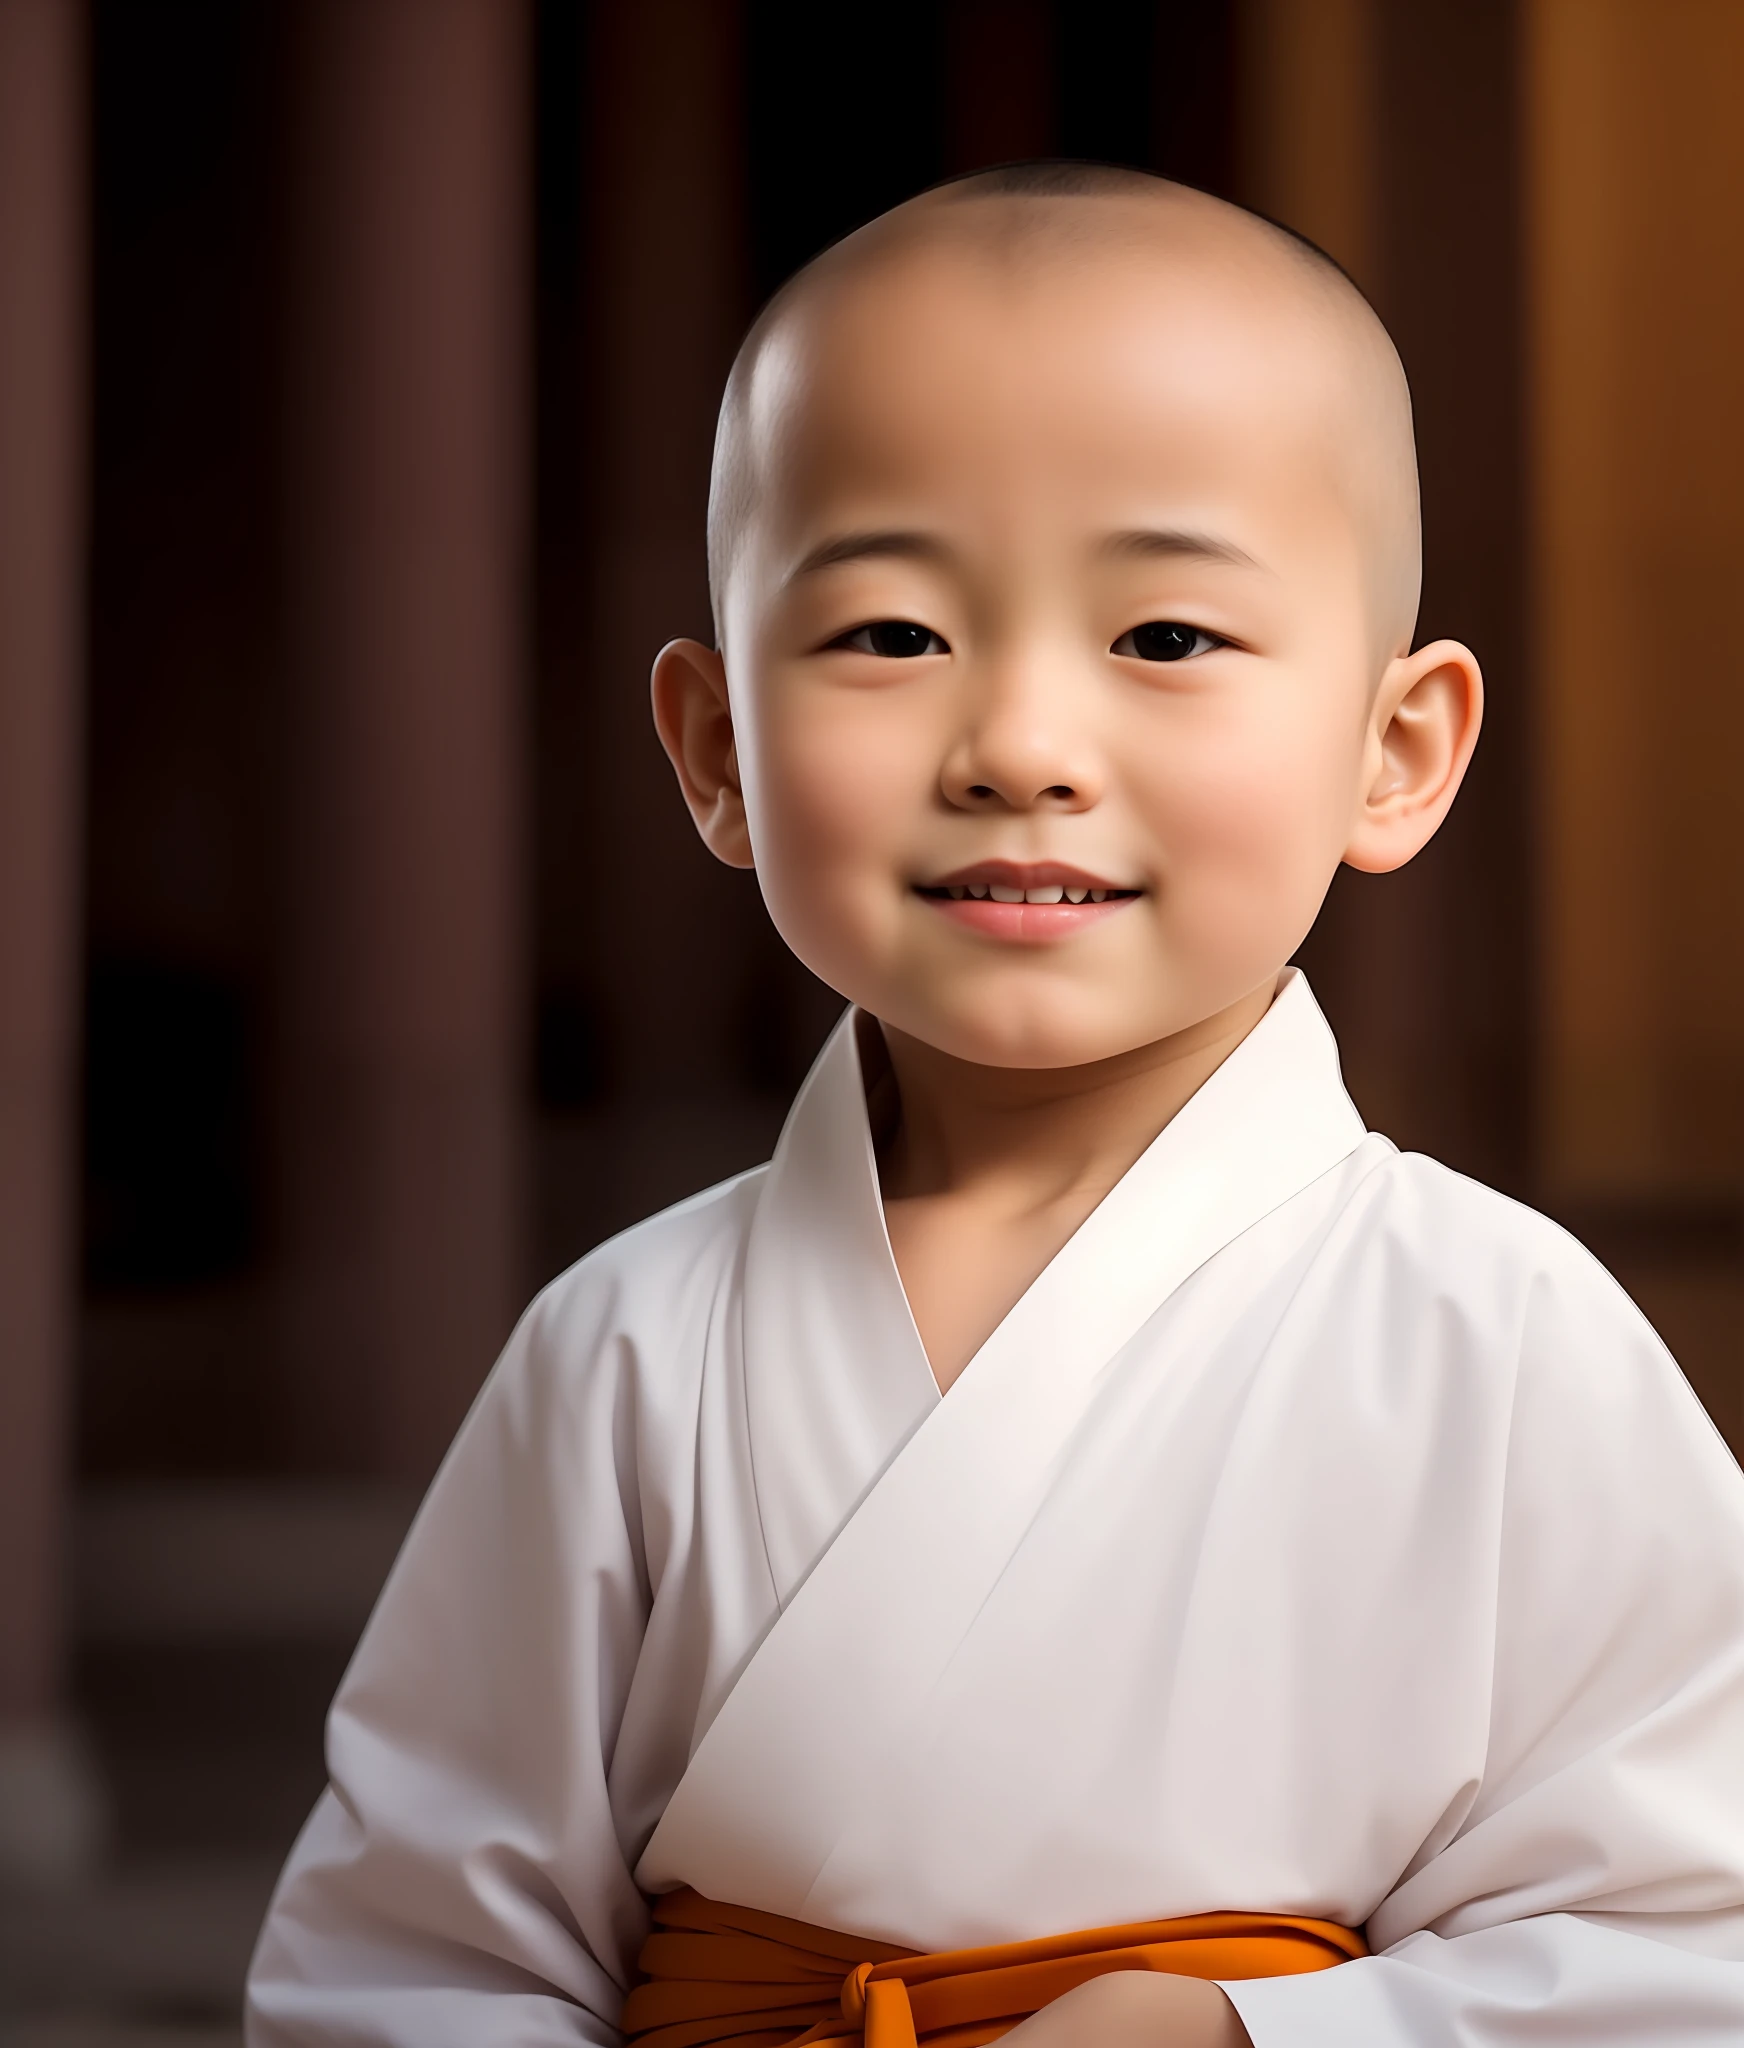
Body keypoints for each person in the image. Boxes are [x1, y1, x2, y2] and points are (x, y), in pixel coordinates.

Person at [245, 165, 1744, 2047]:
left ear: (1395, 750)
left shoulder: (1494, 1338)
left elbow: (1690, 1946)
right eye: (890, 636)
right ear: (716, 752)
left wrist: (1246, 2035)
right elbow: (413, 1967)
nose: (1023, 746)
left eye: (1167, 638)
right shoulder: (624, 1351)